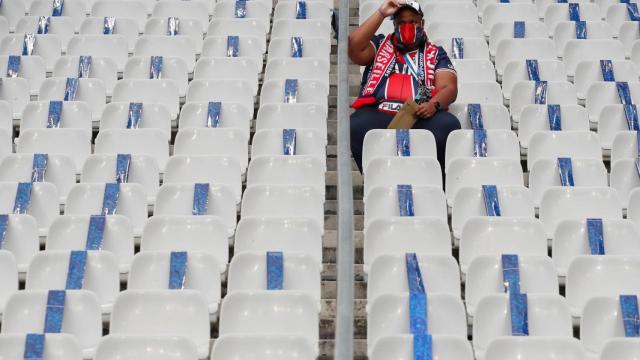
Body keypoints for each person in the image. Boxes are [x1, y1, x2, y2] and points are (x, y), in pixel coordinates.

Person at [348, 0, 461, 173]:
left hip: (419, 114)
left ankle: (431, 176)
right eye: (401, 23)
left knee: (448, 124)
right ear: (394, 25)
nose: (407, 27)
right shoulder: (380, 45)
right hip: (379, 111)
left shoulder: (435, 53)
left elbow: (449, 88)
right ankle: (376, 176)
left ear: (422, 23)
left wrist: (433, 104)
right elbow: (354, 47)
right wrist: (381, 13)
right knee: (355, 125)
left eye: (413, 22)